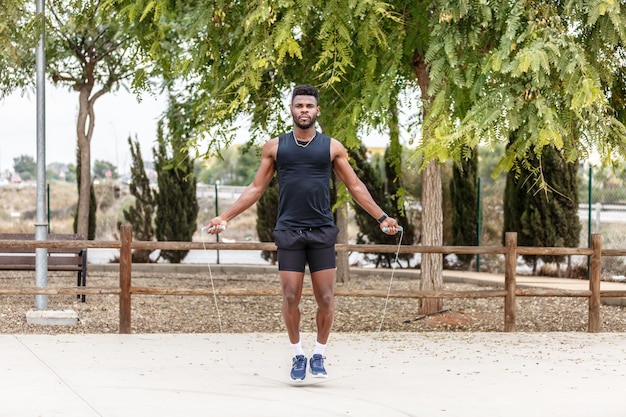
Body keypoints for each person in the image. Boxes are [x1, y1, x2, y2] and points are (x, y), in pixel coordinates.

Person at [204, 84, 400, 382]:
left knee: (325, 296)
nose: (304, 110)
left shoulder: (332, 147)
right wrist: (225, 217)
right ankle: (298, 354)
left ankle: (319, 354)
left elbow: (355, 186)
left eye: (309, 106)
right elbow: (256, 188)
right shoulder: (275, 147)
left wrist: (382, 217)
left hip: (322, 230)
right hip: (289, 231)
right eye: (299, 106)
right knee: (291, 295)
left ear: (317, 111)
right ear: (292, 110)